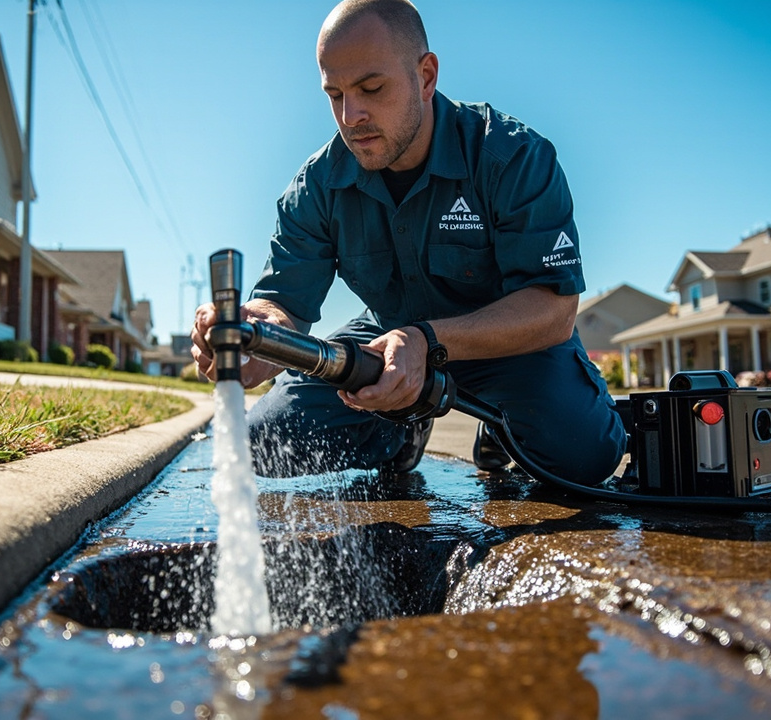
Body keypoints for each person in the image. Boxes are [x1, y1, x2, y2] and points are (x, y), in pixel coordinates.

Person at [192, 0, 625, 484]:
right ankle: (402, 424)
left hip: (511, 348)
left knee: (585, 457)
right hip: (387, 343)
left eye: (371, 88)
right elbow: (282, 305)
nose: (350, 115)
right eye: (334, 94)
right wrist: (255, 339)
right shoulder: (317, 186)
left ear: (425, 75)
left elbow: (554, 309)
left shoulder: (514, 158)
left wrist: (427, 342)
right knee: (261, 448)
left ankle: (501, 423)